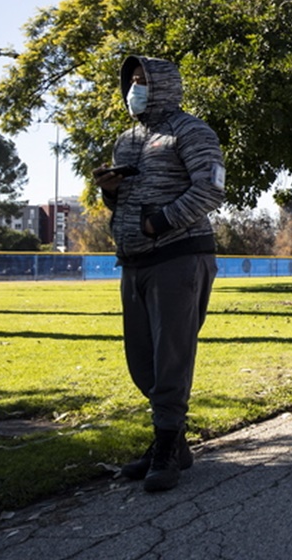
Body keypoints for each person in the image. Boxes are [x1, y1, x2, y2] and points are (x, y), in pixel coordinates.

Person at [99, 55, 225, 493]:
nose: (135, 88)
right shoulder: (127, 139)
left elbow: (210, 187)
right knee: (142, 361)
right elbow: (126, 202)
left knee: (171, 356)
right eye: (131, 81)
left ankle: (166, 445)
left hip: (178, 255)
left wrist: (161, 221)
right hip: (134, 262)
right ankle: (174, 442)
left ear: (164, 85)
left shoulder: (191, 131)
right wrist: (111, 193)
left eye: (143, 81)